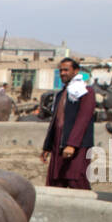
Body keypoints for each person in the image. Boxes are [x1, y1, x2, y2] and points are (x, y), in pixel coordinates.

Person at [41, 57, 96, 190]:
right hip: (58, 144)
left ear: (76, 71)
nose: (62, 73)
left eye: (66, 70)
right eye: (60, 70)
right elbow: (55, 122)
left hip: (77, 145)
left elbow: (83, 119)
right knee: (55, 181)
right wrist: (47, 147)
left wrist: (72, 145)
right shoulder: (61, 94)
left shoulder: (85, 92)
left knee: (76, 179)